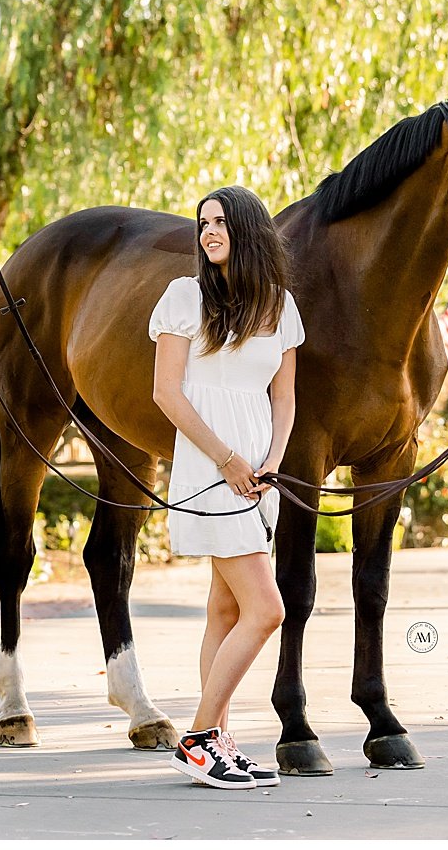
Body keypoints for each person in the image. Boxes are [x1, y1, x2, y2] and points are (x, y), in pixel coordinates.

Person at [148, 186, 303, 790]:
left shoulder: (281, 306)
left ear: (249, 229)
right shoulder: (185, 297)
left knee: (226, 607)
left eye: (220, 221)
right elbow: (167, 393)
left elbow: (284, 398)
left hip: (256, 476)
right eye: (202, 222)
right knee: (267, 610)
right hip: (211, 471)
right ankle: (199, 735)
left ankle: (219, 744)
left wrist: (270, 464)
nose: (208, 230)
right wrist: (230, 460)